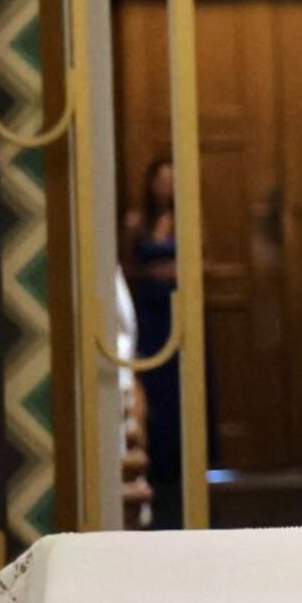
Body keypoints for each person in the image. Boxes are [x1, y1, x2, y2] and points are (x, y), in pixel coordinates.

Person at [122, 159, 190, 528]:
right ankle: (156, 461)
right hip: (150, 310)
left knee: (182, 387)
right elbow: (124, 265)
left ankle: (186, 461)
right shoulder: (137, 222)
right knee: (155, 385)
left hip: (179, 308)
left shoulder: (187, 218)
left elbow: (201, 260)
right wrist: (152, 273)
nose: (166, 185)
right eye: (160, 179)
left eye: (171, 179)